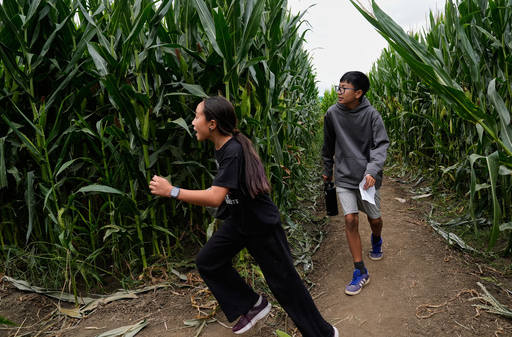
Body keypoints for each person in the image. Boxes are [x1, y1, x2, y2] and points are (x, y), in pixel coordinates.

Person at [150, 96, 338, 337]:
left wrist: (172, 191)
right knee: (208, 260)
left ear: (212, 123)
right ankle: (252, 304)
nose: (193, 121)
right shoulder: (223, 148)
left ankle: (323, 333)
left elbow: (215, 197)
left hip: (261, 226)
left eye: (197, 116)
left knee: (286, 286)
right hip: (240, 222)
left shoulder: (233, 151)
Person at [322, 71, 390, 296]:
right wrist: (327, 171)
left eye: (344, 88)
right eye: (338, 87)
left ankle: (377, 239)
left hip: (368, 179)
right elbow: (328, 144)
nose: (339, 92)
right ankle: (360, 271)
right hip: (344, 176)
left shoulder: (372, 115)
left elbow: (381, 146)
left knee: (375, 219)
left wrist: (372, 171)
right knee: (350, 219)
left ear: (358, 93)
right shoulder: (332, 113)